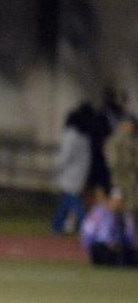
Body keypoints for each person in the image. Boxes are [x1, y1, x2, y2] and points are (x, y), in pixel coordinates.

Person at [51, 105, 92, 234]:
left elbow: (64, 157)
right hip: (80, 174)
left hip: (68, 175)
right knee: (65, 203)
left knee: (72, 201)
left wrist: (56, 170)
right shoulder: (84, 137)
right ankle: (57, 226)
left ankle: (89, 224)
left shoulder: (71, 136)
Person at [80, 188, 137, 266]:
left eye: (120, 201)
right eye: (115, 200)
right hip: (102, 246)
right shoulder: (98, 213)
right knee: (100, 250)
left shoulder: (126, 216)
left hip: (120, 246)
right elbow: (87, 233)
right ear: (110, 200)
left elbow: (129, 236)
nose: (117, 204)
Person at [104, 115, 138, 217]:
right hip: (119, 180)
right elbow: (113, 162)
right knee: (118, 207)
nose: (131, 128)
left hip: (131, 181)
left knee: (131, 208)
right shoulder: (115, 140)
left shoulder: (133, 140)